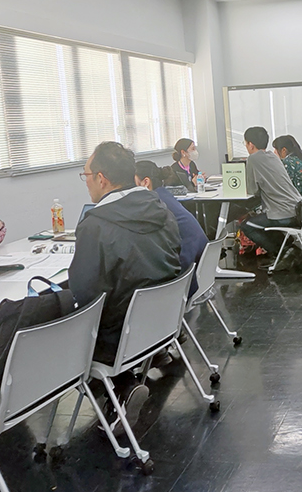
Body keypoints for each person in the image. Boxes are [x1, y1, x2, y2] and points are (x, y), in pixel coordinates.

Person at [70, 142, 182, 366]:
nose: (86, 181)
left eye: (86, 175)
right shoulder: (160, 208)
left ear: (101, 179)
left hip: (117, 337)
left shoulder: (95, 225)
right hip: (163, 322)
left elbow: (83, 292)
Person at [136, 160, 209, 296]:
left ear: (146, 182)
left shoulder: (155, 202)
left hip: (187, 267)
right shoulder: (163, 194)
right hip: (200, 257)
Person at [241, 126, 302, 254]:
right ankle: (288, 249)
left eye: (245, 143)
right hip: (297, 209)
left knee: (247, 226)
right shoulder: (273, 156)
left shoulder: (253, 159)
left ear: (251, 145)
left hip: (283, 213)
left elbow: (252, 191)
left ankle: (281, 252)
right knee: (260, 219)